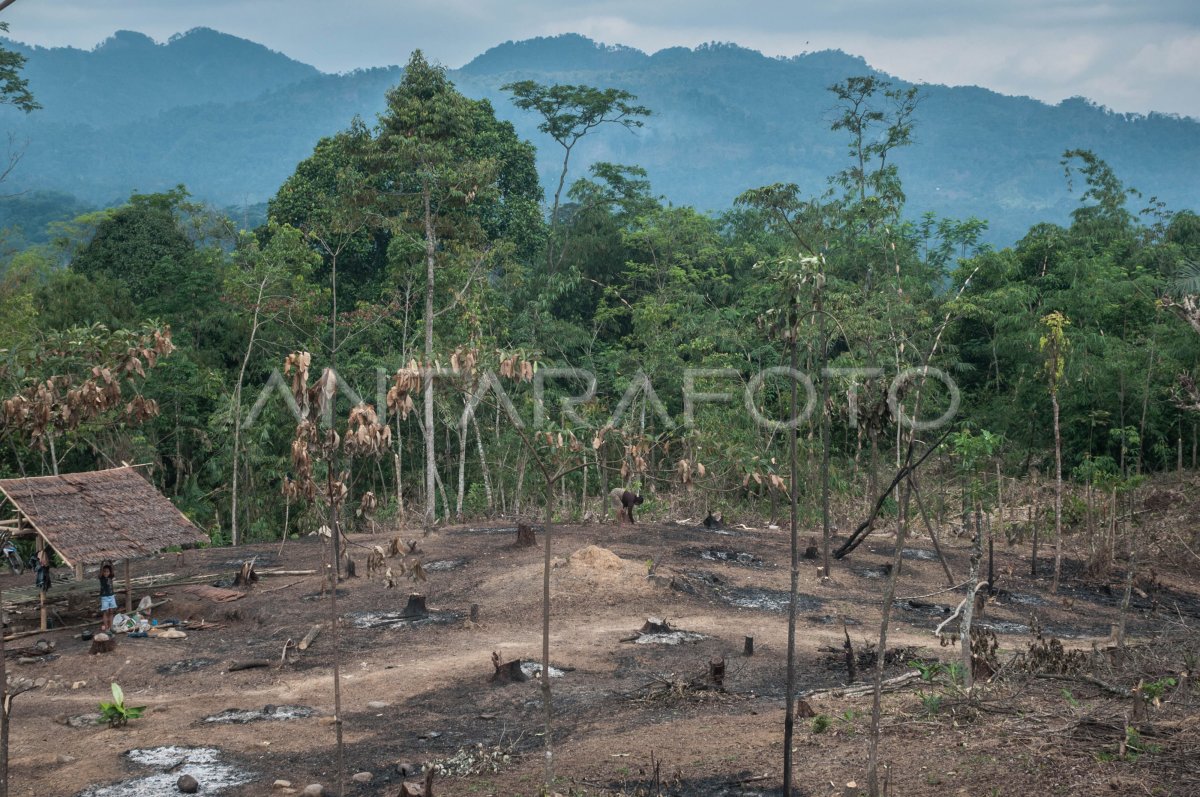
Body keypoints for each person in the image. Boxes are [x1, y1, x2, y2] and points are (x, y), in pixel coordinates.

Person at [98, 562, 116, 632]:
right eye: (104, 571)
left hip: (111, 596)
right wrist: (102, 564)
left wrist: (111, 562)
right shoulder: (101, 578)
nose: (106, 573)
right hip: (104, 597)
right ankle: (106, 628)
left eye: (107, 571)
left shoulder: (110, 577)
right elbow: (100, 572)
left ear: (109, 572)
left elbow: (113, 570)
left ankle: (111, 627)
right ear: (102, 572)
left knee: (111, 611)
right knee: (106, 611)